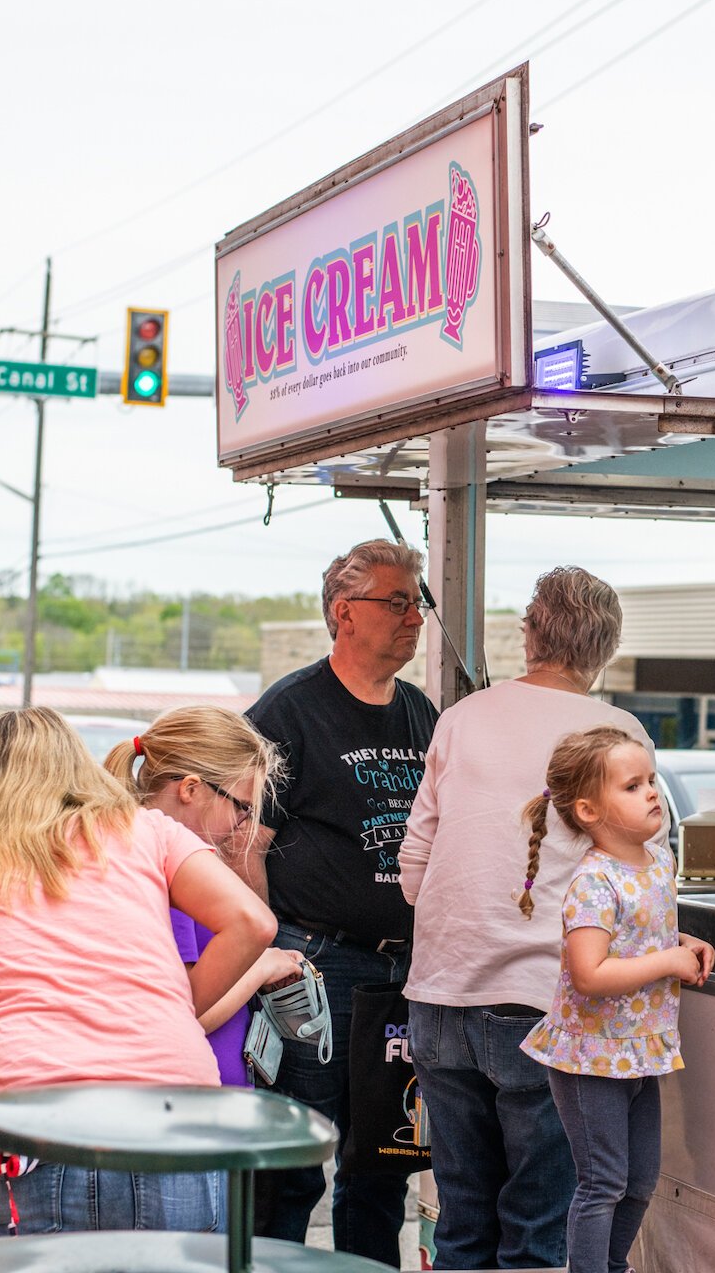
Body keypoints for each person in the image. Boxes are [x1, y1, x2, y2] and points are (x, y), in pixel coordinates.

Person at [0, 707, 277, 1236]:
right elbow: (253, 922)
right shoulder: (149, 832)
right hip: (174, 1117)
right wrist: (178, 1013)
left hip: (32, 1129)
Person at [398, 566, 661, 1269]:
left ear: (529, 634)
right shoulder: (617, 733)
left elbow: (413, 867)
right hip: (548, 1012)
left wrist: (477, 921)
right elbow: (645, 886)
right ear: (605, 647)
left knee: (460, 1223)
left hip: (441, 1001)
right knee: (537, 1237)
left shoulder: (462, 718)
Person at [245, 540, 439, 1266]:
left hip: (402, 977)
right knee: (293, 1169)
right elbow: (244, 845)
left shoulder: (420, 712)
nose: (414, 616)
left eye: (418, 601)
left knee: (382, 1168)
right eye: (397, 601)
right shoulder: (288, 711)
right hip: (316, 971)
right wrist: (270, 952)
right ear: (343, 613)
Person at [519, 727, 715, 1273]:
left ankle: (611, 1266)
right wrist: (669, 963)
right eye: (633, 785)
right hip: (591, 1057)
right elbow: (588, 972)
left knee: (639, 1181)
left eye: (651, 780)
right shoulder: (594, 881)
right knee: (603, 1181)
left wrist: (680, 943)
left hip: (636, 1052)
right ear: (587, 810)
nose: (652, 791)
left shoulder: (656, 863)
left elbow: (637, 936)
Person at [103, 706, 303, 1086]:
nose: (243, 821)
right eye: (242, 806)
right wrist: (261, 967)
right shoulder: (168, 877)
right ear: (191, 789)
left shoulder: (147, 857)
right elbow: (184, 1012)